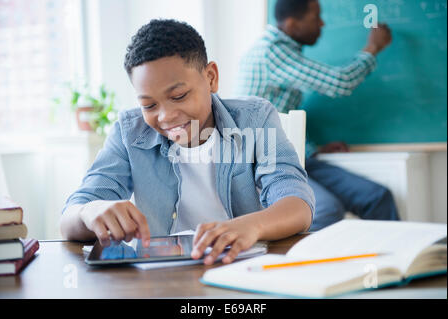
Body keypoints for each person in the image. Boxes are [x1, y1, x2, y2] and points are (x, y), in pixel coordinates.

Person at [60, 19, 315, 265]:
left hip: (242, 269)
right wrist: (88, 212)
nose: (166, 116)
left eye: (179, 96)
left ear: (211, 77)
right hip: (163, 276)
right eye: (148, 104)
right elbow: (71, 216)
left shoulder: (255, 120)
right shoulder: (130, 132)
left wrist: (253, 225)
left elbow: (297, 204)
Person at [235, 0, 399, 231]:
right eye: (315, 17)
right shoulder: (272, 52)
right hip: (265, 163)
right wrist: (373, 47)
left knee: (377, 196)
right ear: (292, 23)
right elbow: (340, 82)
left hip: (299, 156)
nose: (322, 23)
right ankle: (294, 263)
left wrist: (312, 148)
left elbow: (280, 115)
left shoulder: (283, 51)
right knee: (326, 209)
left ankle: (395, 264)